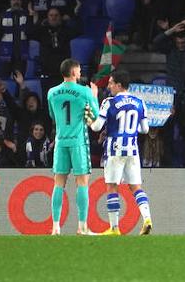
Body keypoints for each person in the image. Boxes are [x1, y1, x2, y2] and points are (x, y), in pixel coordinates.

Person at [89, 70, 153, 235]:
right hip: (132, 149)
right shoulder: (140, 102)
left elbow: (96, 127)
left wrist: (89, 120)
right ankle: (147, 218)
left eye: (111, 83)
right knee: (136, 187)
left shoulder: (109, 102)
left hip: (115, 149)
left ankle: (114, 228)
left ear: (118, 84)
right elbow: (145, 130)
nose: (109, 86)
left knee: (112, 187)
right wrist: (129, 131)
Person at [46, 58, 100, 235]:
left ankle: (55, 227)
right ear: (73, 72)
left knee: (58, 183)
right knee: (82, 182)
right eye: (78, 70)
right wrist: (94, 95)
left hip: (60, 141)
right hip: (78, 141)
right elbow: (96, 115)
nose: (80, 73)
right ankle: (82, 226)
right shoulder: (84, 91)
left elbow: (53, 116)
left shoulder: (52, 92)